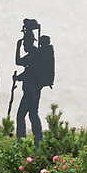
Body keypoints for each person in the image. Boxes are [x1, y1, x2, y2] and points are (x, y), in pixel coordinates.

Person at [13, 18, 55, 146]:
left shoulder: (34, 54)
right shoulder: (36, 53)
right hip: (35, 90)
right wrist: (20, 77)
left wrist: (17, 47)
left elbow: (19, 63)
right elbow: (29, 71)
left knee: (21, 115)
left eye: (25, 43)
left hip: (30, 90)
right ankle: (38, 140)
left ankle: (21, 140)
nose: (24, 46)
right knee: (33, 114)